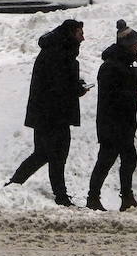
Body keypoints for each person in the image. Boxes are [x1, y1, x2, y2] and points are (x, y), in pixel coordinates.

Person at [7, 19, 88, 206]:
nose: (83, 38)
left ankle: (14, 185)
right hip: (54, 115)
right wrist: (77, 89)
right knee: (56, 154)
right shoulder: (59, 53)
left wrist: (75, 86)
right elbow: (59, 85)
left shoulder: (54, 50)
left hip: (46, 114)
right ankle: (60, 196)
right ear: (71, 34)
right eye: (80, 33)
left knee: (43, 153)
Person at [86, 20, 137, 212]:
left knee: (128, 158)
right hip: (112, 123)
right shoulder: (111, 66)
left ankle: (125, 197)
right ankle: (94, 198)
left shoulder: (126, 63)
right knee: (106, 160)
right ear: (127, 45)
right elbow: (110, 95)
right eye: (136, 43)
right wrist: (134, 96)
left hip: (123, 122)